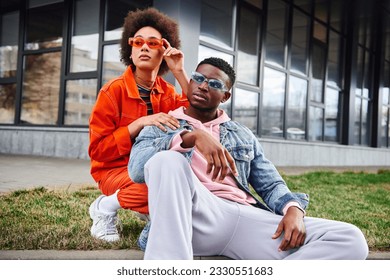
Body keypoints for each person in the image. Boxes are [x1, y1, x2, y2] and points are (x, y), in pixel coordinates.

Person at [128, 57, 369, 260]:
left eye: (214, 83)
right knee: (167, 161)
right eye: (198, 78)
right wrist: (190, 137)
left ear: (225, 96)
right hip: (193, 217)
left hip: (246, 218)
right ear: (190, 82)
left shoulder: (241, 134)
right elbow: (137, 170)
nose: (203, 86)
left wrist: (294, 209)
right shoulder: (160, 124)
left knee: (351, 240)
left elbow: (270, 183)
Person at [88, 7, 189, 242]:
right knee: (160, 189)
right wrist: (139, 123)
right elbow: (98, 151)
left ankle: (148, 207)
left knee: (185, 183)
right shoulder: (112, 92)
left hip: (150, 166)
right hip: (114, 170)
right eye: (138, 42)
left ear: (164, 51)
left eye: (153, 43)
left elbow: (193, 114)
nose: (144, 47)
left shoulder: (168, 92)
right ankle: (104, 207)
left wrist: (180, 71)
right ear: (130, 50)